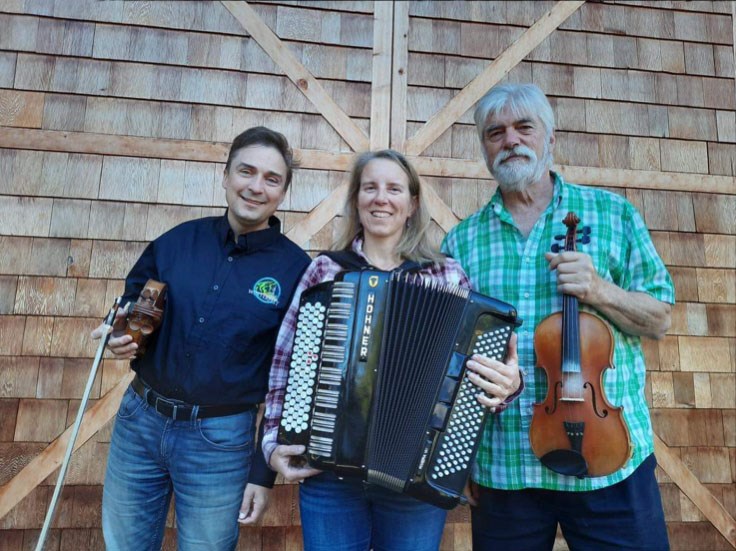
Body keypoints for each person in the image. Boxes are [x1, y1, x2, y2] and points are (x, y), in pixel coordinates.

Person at [442, 83, 674, 550]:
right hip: (504, 466)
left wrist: (599, 291)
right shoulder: (461, 242)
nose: (510, 140)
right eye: (495, 133)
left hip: (607, 458)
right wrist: (457, 459)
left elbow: (660, 318)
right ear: (484, 149)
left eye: (524, 128)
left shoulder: (613, 214)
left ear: (551, 138)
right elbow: (449, 359)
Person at [260, 149, 522, 551]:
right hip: (328, 474)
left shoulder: (445, 275)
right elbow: (286, 361)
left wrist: (506, 387)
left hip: (414, 482)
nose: (381, 198)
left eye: (394, 189)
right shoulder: (327, 271)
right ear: (357, 199)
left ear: (412, 203)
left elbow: (477, 379)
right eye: (370, 188)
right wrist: (273, 442)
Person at [91, 127, 311, 550]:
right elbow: (133, 303)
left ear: (283, 192)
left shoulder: (296, 271)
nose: (256, 186)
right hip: (139, 421)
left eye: (271, 178)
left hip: (220, 439)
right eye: (246, 171)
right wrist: (117, 331)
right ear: (225, 175)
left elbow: (295, 379)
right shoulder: (176, 242)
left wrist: (262, 472)